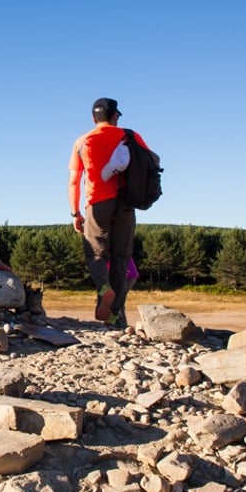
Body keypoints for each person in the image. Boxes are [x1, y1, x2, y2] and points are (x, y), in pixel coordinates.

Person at [68, 97, 156, 328]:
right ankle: (115, 314)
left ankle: (103, 289)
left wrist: (75, 213)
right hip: (125, 202)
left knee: (95, 254)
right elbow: (153, 161)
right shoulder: (130, 135)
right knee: (120, 258)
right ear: (115, 116)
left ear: (93, 118)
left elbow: (74, 182)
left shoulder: (82, 141)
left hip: (96, 203)